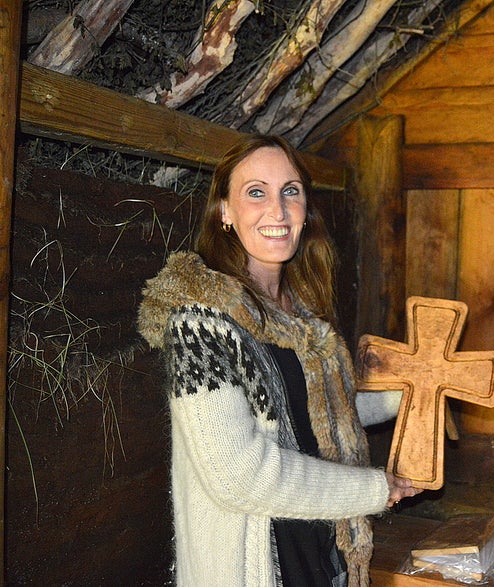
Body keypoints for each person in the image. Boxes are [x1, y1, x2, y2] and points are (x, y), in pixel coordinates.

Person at [138, 134, 421, 587]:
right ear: (224, 213)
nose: (278, 209)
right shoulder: (200, 322)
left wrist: (413, 393)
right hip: (254, 567)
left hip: (321, 552)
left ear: (306, 209)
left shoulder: (299, 310)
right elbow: (238, 474)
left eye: (291, 191)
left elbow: (316, 410)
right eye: (256, 193)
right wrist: (372, 489)